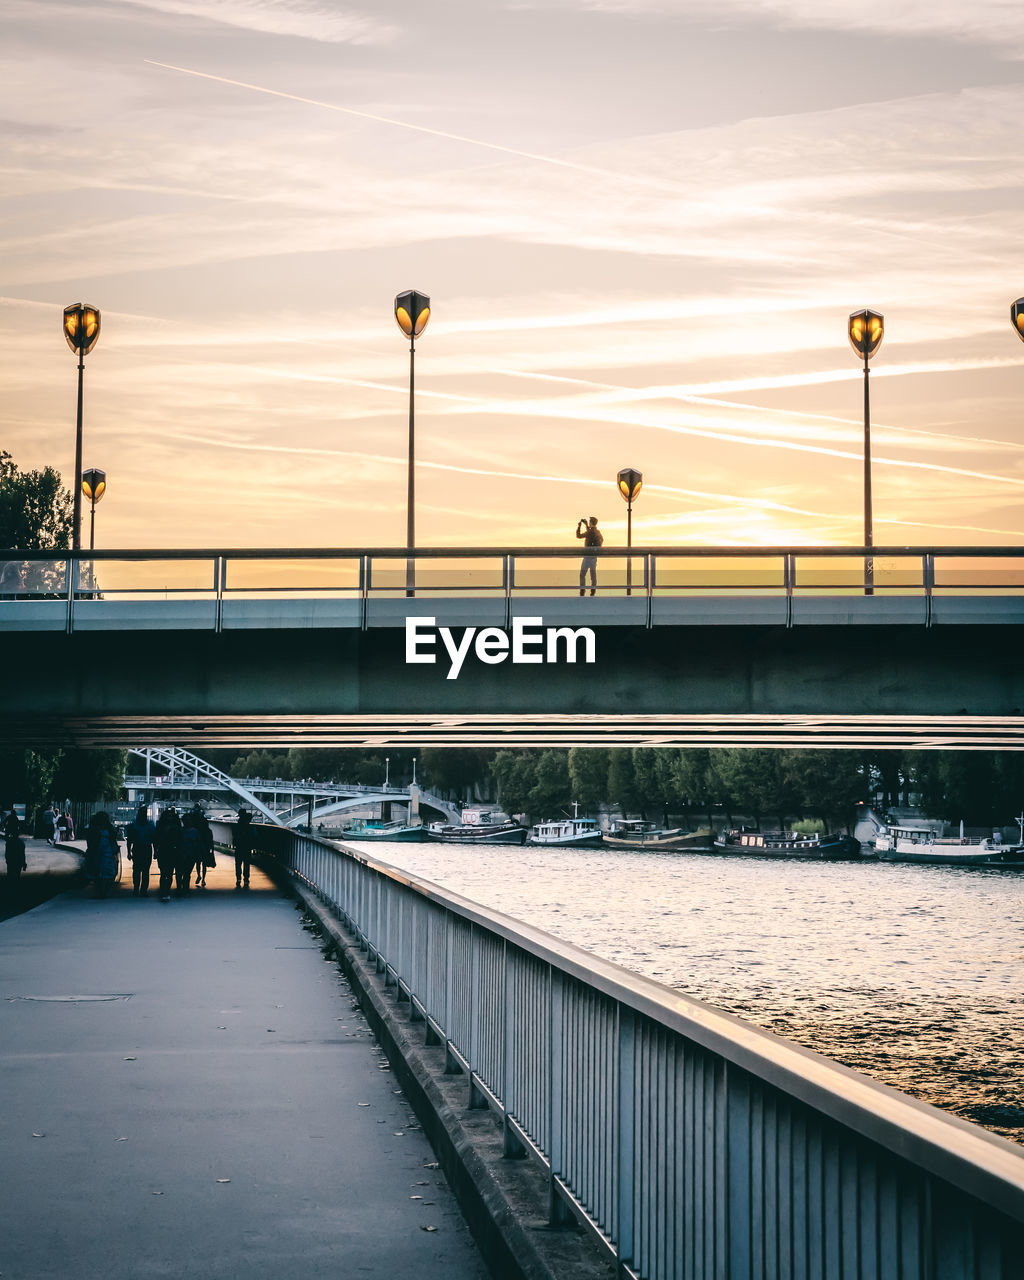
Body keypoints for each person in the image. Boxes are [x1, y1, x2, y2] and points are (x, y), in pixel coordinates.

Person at [85, 811, 121, 898]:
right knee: (100, 872)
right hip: (99, 852)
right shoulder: (98, 828)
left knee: (103, 872)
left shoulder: (102, 828)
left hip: (105, 852)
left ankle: (102, 891)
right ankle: (102, 891)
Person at [126, 805, 157, 897]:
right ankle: (136, 888)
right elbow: (129, 840)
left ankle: (143, 890)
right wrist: (128, 852)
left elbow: (154, 839)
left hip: (146, 848)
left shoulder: (150, 825)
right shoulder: (134, 825)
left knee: (145, 870)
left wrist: (155, 851)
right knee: (137, 870)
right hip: (137, 848)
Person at [155, 808, 183, 902]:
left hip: (169, 851)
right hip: (166, 851)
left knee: (168, 873)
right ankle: (165, 891)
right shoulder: (173, 827)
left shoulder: (163, 827)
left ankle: (165, 891)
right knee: (164, 873)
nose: (169, 818)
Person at [576, 515, 603, 596]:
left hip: (587, 557)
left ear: (591, 523)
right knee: (593, 575)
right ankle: (593, 591)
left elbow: (579, 536)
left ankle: (582, 591)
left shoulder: (590, 532)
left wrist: (579, 526)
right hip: (594, 557)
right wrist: (586, 525)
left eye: (589, 522)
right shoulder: (597, 532)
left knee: (582, 574)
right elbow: (592, 534)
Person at [234, 810, 253, 890]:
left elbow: (234, 836)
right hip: (247, 847)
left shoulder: (237, 826)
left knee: (238, 864)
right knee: (246, 864)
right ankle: (246, 879)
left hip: (239, 847)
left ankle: (238, 878)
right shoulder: (248, 826)